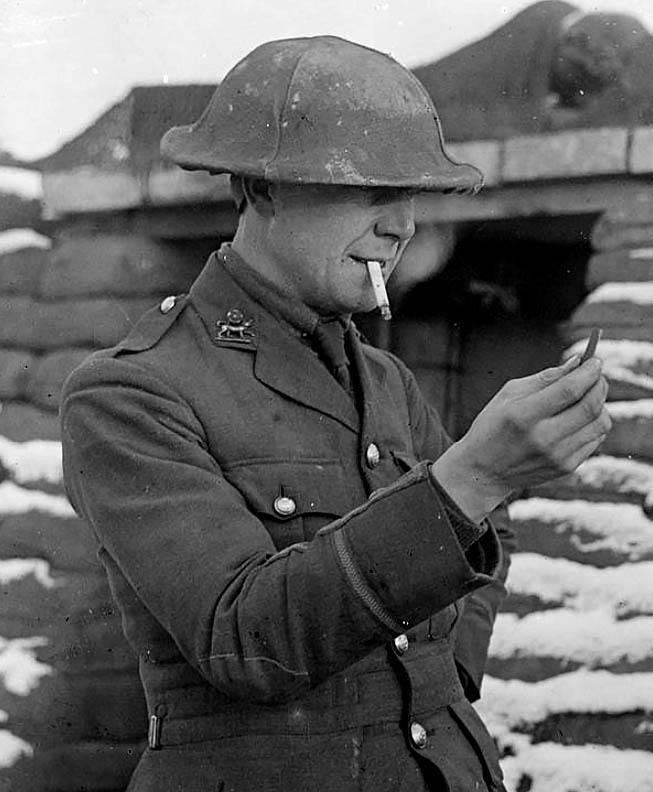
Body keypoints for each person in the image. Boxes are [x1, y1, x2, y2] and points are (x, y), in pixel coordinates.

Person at [59, 35, 611, 792]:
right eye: (370, 188)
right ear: (261, 189)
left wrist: (436, 681)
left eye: (411, 194)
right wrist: (472, 477)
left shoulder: (381, 377)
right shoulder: (131, 395)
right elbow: (245, 638)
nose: (403, 225)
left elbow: (489, 530)